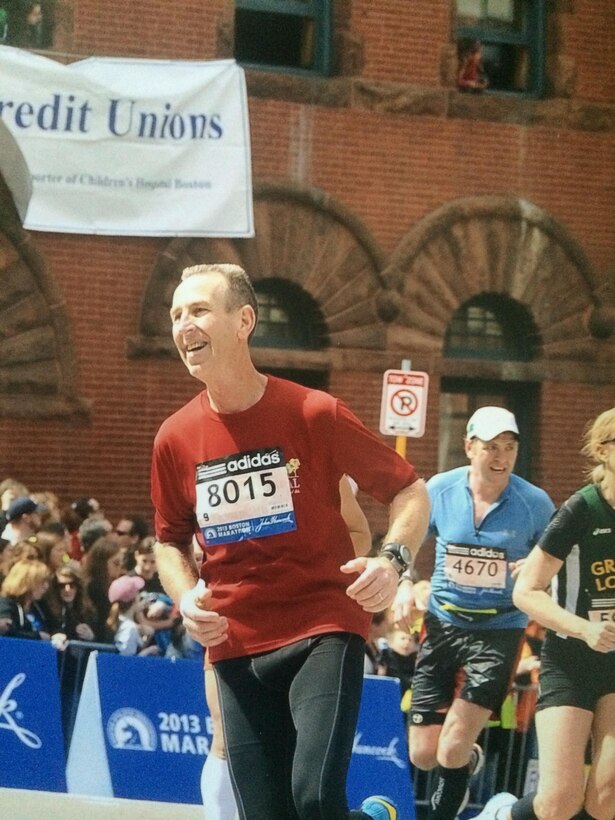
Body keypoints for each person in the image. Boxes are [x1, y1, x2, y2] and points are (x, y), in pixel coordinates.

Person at [151, 263, 430, 820]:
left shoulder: (313, 412)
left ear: (244, 321)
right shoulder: (174, 438)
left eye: (200, 310)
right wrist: (184, 598)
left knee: (314, 796)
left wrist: (393, 560)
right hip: (235, 639)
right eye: (177, 314)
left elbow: (411, 492)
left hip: (322, 624)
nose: (185, 325)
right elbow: (169, 543)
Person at [393, 406, 555, 820]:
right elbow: (406, 538)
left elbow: (556, 560)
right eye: (490, 448)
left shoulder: (535, 503)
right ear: (468, 447)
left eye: (509, 448)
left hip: (500, 631)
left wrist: (536, 569)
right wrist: (407, 583)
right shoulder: (439, 489)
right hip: (443, 625)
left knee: (451, 745)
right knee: (425, 753)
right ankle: (467, 759)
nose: (500, 457)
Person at [498, 408, 615, 820]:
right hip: (571, 659)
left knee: (608, 798)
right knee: (560, 801)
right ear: (604, 451)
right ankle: (501, 815)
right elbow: (526, 591)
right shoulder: (580, 511)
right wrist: (584, 628)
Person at [80, 536, 124, 642]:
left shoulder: (111, 585)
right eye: (116, 563)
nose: (120, 569)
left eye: (121, 564)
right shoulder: (93, 587)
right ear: (102, 563)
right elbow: (101, 620)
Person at [0, 558, 51, 639]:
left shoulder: (40, 607)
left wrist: (59, 635)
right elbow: (7, 632)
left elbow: (54, 627)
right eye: (42, 582)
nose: (46, 586)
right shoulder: (5, 604)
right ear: (26, 582)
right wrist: (37, 636)